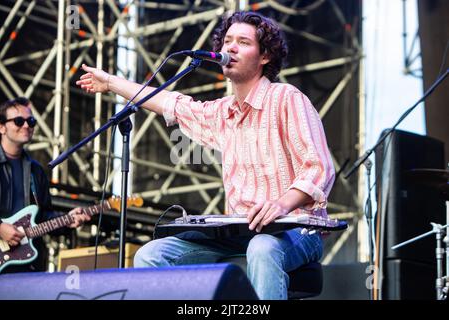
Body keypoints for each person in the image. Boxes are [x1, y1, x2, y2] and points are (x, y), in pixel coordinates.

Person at [76, 11, 334, 300]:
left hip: (297, 230)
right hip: (239, 233)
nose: (230, 48)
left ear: (265, 57)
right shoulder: (223, 112)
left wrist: (281, 204)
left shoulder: (287, 98)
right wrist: (111, 82)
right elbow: (170, 102)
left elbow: (318, 168)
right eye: (227, 41)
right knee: (151, 255)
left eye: (243, 42)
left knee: (262, 247)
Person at [0, 97, 91, 273]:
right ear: (1, 127)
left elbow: (42, 217)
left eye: (31, 121)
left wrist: (67, 220)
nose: (26, 125)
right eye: (19, 121)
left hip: (26, 265)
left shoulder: (36, 171)